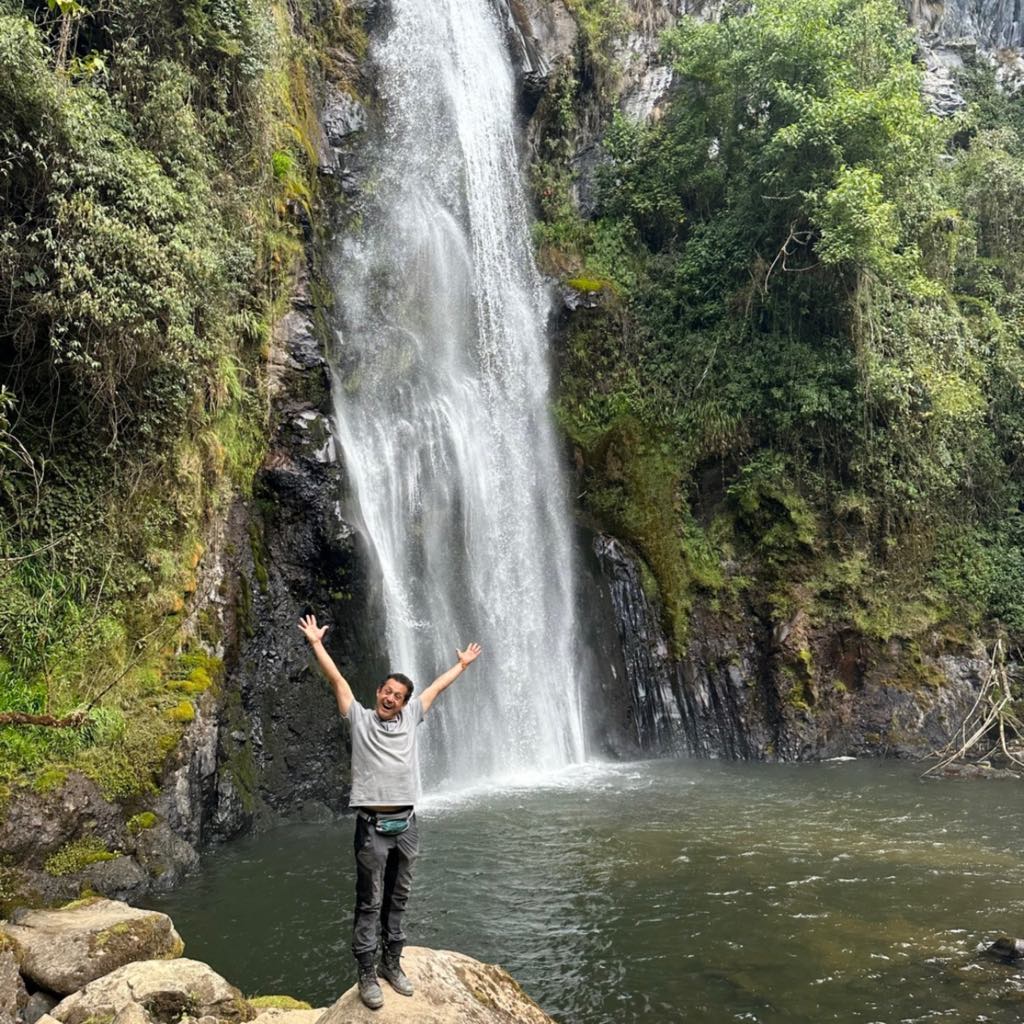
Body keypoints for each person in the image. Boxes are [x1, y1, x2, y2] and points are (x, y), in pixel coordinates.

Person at [297, 613, 482, 1009]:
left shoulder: (413, 716)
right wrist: (316, 643)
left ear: (404, 702)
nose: (389, 698)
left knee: (399, 898)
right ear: (378, 691)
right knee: (369, 900)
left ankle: (391, 964)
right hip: (372, 826)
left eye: (397, 695)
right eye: (386, 691)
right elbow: (338, 681)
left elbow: (435, 688)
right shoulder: (359, 720)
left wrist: (462, 666)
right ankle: (366, 972)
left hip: (408, 825)